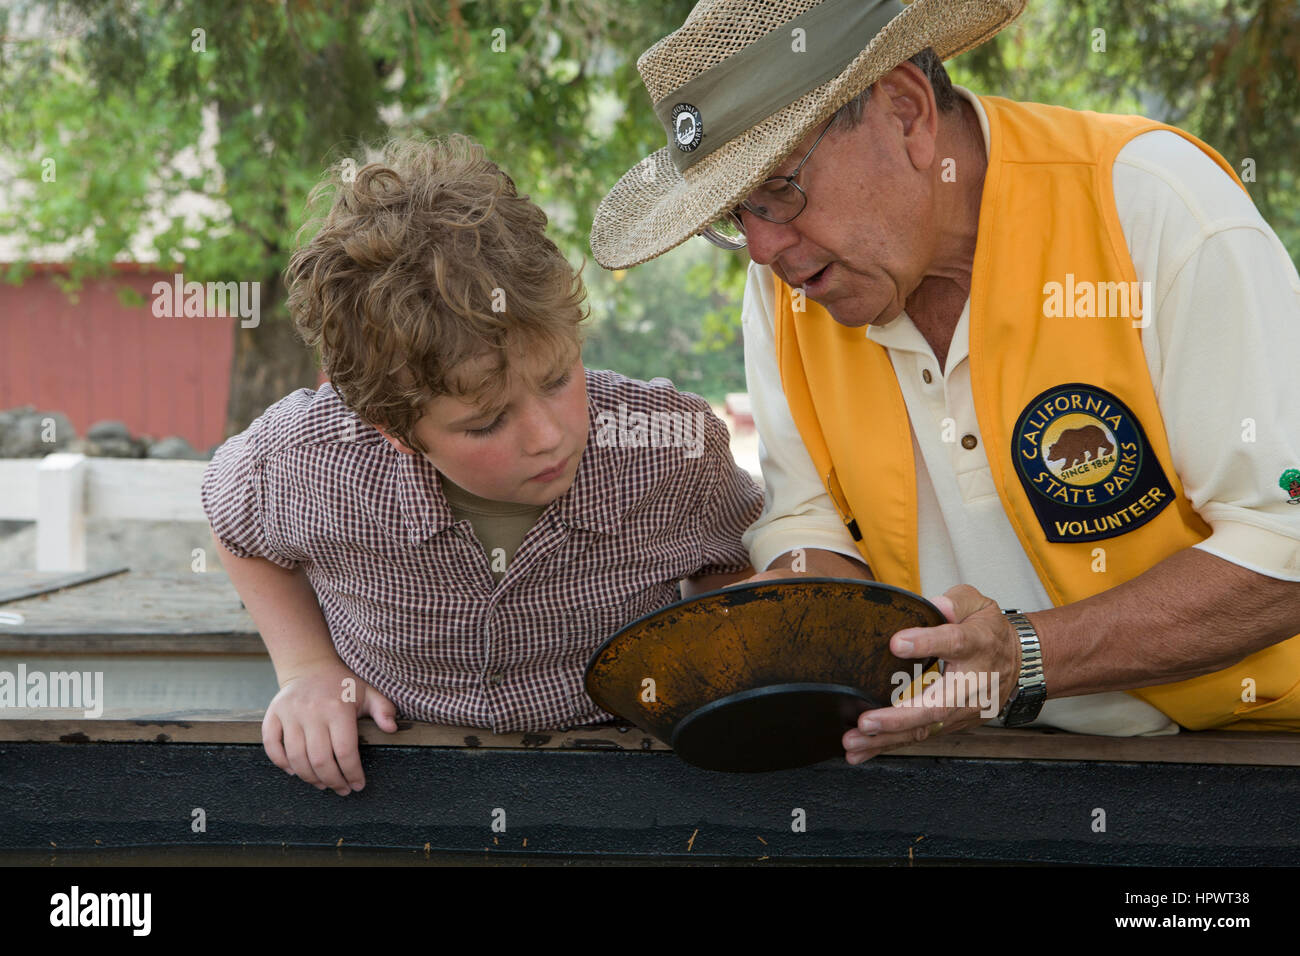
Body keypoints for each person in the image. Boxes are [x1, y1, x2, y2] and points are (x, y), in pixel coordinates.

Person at [590, 0, 1300, 761]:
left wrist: (1023, 658)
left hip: (1247, 756)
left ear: (908, 112)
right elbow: (809, 522)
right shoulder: (788, 286)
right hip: (962, 760)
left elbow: (1283, 541)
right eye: (737, 213)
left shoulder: (1155, 208)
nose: (762, 248)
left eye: (780, 187)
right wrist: (802, 637)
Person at [202, 135, 762, 795]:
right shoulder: (305, 460)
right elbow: (232, 521)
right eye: (487, 422)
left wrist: (699, 650)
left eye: (558, 377)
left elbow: (735, 553)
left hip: (612, 770)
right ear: (395, 431)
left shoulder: (675, 449)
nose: (549, 435)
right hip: (402, 770)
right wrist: (307, 669)